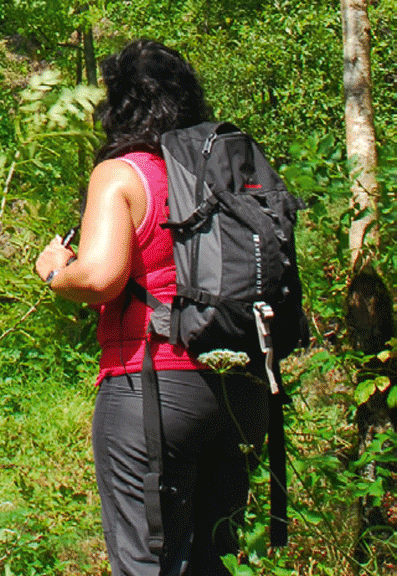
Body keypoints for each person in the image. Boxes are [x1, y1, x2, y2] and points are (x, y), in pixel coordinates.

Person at [34, 40, 269, 576]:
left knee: (147, 563)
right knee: (213, 558)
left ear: (118, 105)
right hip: (242, 389)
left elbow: (99, 277)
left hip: (153, 390)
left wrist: (52, 267)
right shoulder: (223, 175)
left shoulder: (123, 174)